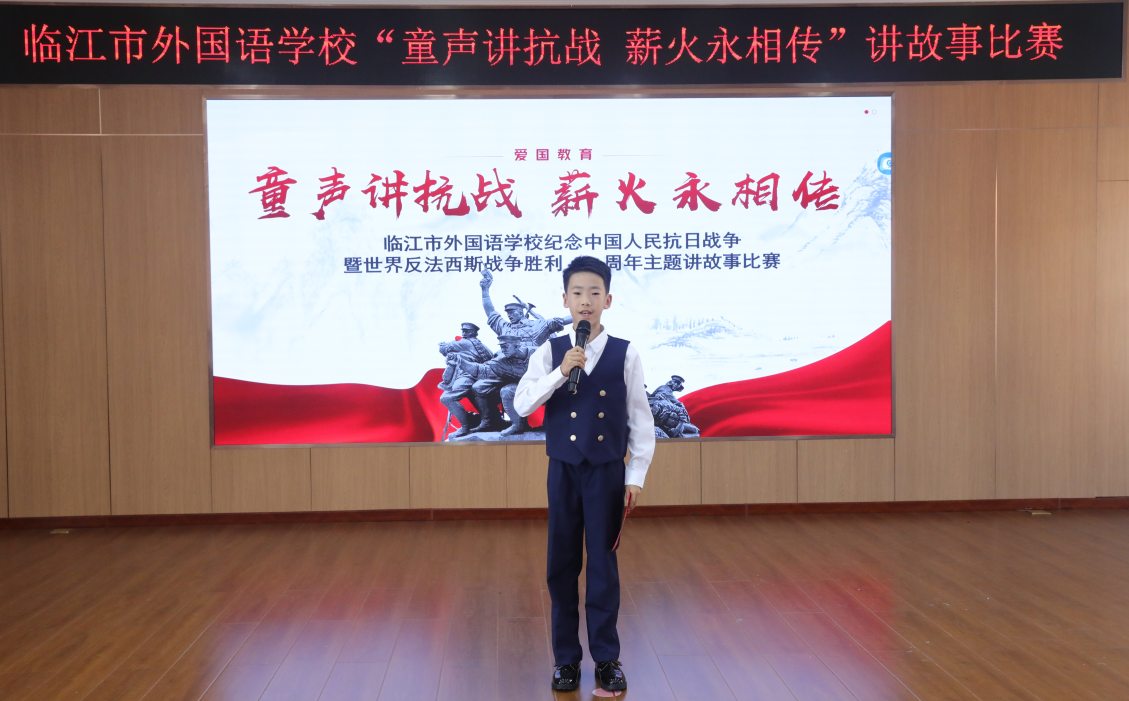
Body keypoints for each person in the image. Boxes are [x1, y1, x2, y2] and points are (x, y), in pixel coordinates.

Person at [514, 256, 656, 693]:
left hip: (607, 473)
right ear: (565, 300)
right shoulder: (551, 351)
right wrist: (560, 373)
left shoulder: (625, 353)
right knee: (561, 564)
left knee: (603, 565)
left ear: (607, 300)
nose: (586, 301)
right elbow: (522, 403)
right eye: (577, 292)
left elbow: (640, 419)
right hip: (563, 472)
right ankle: (566, 660)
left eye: (595, 292)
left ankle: (607, 659)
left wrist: (635, 475)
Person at [480, 268, 571, 350]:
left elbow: (562, 321)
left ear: (521, 313)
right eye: (508, 313)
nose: (509, 315)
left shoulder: (536, 325)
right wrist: (485, 290)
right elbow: (490, 312)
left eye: (512, 312)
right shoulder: (504, 327)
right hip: (507, 361)